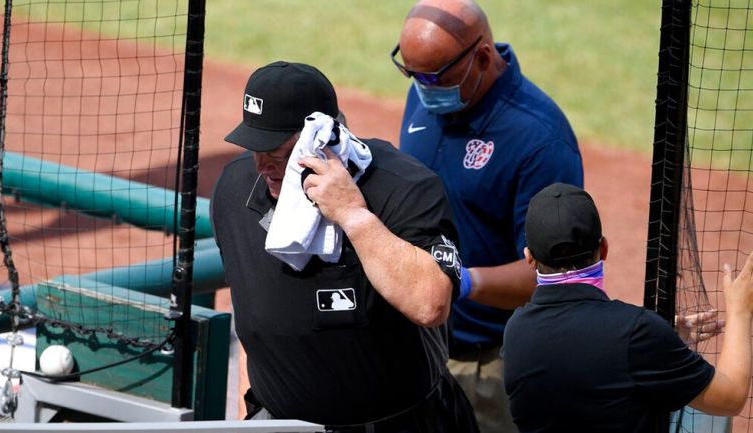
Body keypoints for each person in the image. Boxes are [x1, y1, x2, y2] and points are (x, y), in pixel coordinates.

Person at [211, 60, 478, 432]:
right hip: (278, 422)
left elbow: (431, 303)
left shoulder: (402, 187)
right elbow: (252, 316)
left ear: (324, 138)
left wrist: (353, 215)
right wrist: (251, 419)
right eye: (255, 147)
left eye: (279, 153)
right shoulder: (235, 192)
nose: (262, 166)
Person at [392, 1, 582, 431]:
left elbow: (552, 276)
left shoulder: (540, 141)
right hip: (415, 352)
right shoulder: (427, 95)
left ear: (481, 57)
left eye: (433, 77)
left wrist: (458, 282)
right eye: (411, 74)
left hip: (489, 367)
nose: (421, 88)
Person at [503, 182, 753, 432]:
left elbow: (583, 358)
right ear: (604, 248)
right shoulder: (636, 333)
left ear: (529, 257)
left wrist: (657, 344)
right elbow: (730, 398)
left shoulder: (515, 332)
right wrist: (740, 308)